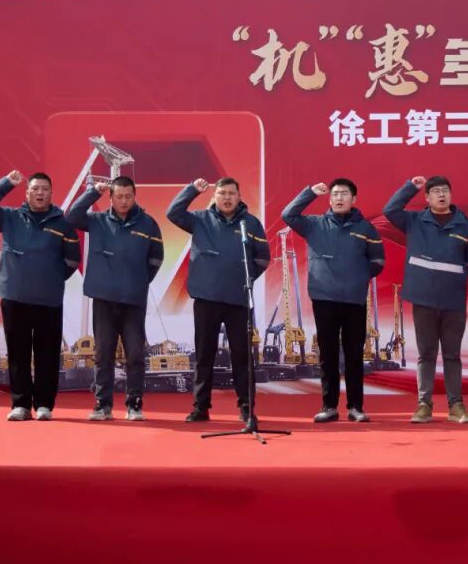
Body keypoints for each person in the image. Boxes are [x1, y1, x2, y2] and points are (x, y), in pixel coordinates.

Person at [0, 170, 80, 421]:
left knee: (47, 353)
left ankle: (44, 404)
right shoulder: (10, 217)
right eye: (35, 189)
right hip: (14, 295)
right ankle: (20, 404)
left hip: (48, 298)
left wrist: (50, 278)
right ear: (27, 193)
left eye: (45, 189)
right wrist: (5, 183)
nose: (40, 193)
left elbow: (72, 260)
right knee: (18, 353)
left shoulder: (63, 223)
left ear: (51, 193)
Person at [282, 179, 385, 423]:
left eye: (344, 194)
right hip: (324, 297)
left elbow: (378, 261)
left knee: (354, 355)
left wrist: (357, 278)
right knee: (327, 354)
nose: (339, 198)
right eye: (335, 194)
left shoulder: (366, 229)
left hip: (354, 299)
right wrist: (309, 193)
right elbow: (288, 214)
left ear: (354, 199)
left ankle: (355, 407)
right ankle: (328, 406)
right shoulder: (314, 224)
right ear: (329, 200)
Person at [167, 177, 269, 423]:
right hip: (206, 298)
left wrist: (244, 278)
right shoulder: (200, 219)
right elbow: (173, 213)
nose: (226, 198)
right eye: (222, 193)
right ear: (214, 196)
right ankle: (200, 407)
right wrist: (192, 190)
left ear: (239, 196)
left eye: (231, 193)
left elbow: (262, 258)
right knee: (204, 355)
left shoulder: (250, 224)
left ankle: (247, 408)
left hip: (238, 299)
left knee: (242, 357)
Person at [65, 176, 163, 422]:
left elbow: (156, 258)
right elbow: (72, 217)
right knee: (103, 354)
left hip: (133, 300)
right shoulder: (97, 221)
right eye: (119, 196)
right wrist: (92, 193)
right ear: (110, 198)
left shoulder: (148, 224)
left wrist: (139, 280)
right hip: (104, 298)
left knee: (135, 354)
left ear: (135, 196)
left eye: (128, 196)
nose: (124, 201)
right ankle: (103, 404)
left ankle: (134, 404)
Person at [384, 175, 468, 424]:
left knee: (452, 355)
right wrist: (410, 187)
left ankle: (456, 405)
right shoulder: (415, 220)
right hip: (423, 299)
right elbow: (390, 210)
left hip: (453, 299)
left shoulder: (465, 225)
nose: (441, 195)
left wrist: (450, 279)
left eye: (445, 190)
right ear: (427, 197)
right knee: (426, 354)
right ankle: (424, 405)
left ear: (451, 195)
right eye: (436, 191)